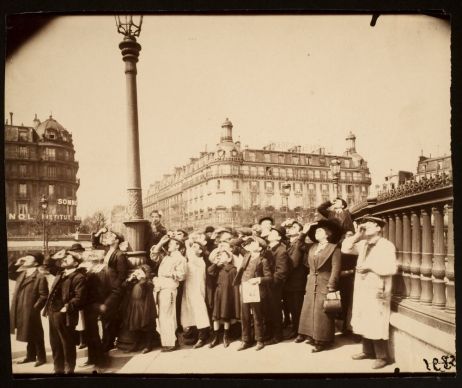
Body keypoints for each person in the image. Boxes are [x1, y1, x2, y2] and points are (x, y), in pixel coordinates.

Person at [341, 216, 397, 369]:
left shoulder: (386, 245)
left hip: (378, 287)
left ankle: (382, 356)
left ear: (379, 228)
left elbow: (391, 268)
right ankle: (367, 351)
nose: (366, 226)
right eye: (365, 224)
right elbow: (345, 248)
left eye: (371, 224)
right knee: (363, 317)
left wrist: (370, 267)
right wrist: (357, 235)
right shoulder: (363, 243)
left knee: (376, 320)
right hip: (363, 287)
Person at [296, 220, 342, 352]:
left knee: (323, 312)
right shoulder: (313, 247)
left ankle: (323, 340)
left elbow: (335, 268)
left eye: (320, 231)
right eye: (316, 231)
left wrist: (332, 285)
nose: (317, 233)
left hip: (325, 283)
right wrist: (303, 233)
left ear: (328, 234)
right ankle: (311, 335)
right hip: (311, 283)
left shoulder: (334, 248)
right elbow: (300, 245)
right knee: (310, 310)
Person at [43, 252, 87, 374]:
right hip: (53, 313)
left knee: (67, 343)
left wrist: (67, 307)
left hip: (65, 315)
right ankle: (58, 369)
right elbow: (48, 265)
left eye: (68, 258)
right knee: (55, 342)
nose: (64, 260)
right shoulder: (60, 272)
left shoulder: (79, 277)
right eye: (64, 258)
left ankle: (69, 369)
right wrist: (54, 257)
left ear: (75, 263)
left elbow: (80, 297)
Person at [91, 227, 129, 354]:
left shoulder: (119, 255)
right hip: (103, 289)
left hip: (113, 291)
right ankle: (107, 341)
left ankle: (108, 343)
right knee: (105, 317)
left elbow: (122, 275)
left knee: (108, 316)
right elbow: (95, 244)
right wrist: (99, 232)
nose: (107, 237)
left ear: (117, 240)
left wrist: (115, 291)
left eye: (111, 236)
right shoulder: (107, 250)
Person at [9, 253, 49, 367]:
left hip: (31, 310)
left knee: (36, 333)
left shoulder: (40, 277)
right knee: (28, 331)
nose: (25, 259)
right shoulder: (23, 273)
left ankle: (41, 358)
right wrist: (17, 263)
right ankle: (30, 356)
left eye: (29, 258)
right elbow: (10, 273)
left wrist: (34, 308)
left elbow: (44, 296)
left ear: (36, 263)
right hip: (20, 308)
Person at [233, 236, 272, 351]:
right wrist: (245, 237)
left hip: (256, 291)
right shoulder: (246, 255)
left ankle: (259, 340)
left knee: (257, 315)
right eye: (250, 243)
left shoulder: (263, 260)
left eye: (254, 243)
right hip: (245, 289)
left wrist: (258, 279)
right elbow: (235, 244)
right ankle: (245, 340)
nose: (251, 244)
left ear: (260, 248)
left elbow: (269, 277)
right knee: (244, 316)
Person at [151, 236, 187, 352]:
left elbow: (182, 275)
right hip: (162, 288)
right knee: (164, 315)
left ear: (178, 246)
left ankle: (170, 343)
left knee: (167, 316)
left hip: (169, 289)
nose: (169, 244)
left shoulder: (180, 258)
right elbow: (154, 256)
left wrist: (170, 273)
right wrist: (161, 242)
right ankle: (170, 341)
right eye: (169, 243)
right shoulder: (167, 256)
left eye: (172, 243)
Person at [76, 250, 106, 369]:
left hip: (93, 306)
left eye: (89, 260)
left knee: (93, 333)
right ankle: (92, 358)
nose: (86, 262)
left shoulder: (97, 273)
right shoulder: (89, 272)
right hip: (87, 305)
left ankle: (100, 360)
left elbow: (100, 291)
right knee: (89, 333)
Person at [207, 245, 240, 348]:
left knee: (226, 316)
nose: (220, 257)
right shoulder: (217, 268)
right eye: (219, 255)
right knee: (216, 317)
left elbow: (235, 285)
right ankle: (216, 337)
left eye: (222, 255)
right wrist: (215, 263)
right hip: (219, 294)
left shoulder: (233, 270)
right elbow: (210, 271)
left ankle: (225, 336)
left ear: (229, 258)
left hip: (228, 295)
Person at [181, 237, 211, 349]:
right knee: (189, 310)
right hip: (188, 288)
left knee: (199, 310)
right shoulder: (191, 259)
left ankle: (203, 336)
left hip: (197, 289)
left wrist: (188, 243)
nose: (192, 248)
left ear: (200, 251)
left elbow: (190, 254)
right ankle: (193, 334)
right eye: (192, 246)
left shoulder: (200, 261)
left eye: (195, 247)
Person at [281, 220, 309, 339]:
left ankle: (300, 332)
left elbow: (295, 262)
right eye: (288, 227)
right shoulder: (288, 243)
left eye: (294, 227)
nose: (290, 228)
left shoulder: (300, 242)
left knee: (298, 308)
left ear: (300, 230)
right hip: (289, 282)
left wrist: (302, 234)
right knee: (292, 307)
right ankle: (295, 329)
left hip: (297, 281)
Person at [121, 265, 157, 353]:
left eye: (140, 271)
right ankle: (136, 345)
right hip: (134, 305)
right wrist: (130, 279)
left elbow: (148, 287)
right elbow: (124, 286)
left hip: (143, 306)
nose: (137, 273)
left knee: (146, 325)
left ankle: (148, 345)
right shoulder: (134, 281)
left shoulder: (147, 283)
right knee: (135, 325)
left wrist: (143, 278)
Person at [265, 225, 291, 345]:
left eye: (273, 232)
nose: (269, 233)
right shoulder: (269, 248)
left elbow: (281, 272)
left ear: (279, 237)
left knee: (275, 310)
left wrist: (271, 283)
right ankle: (269, 333)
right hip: (267, 284)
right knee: (268, 310)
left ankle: (277, 335)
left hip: (274, 286)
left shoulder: (281, 250)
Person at [67, 243, 87, 350]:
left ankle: (83, 340)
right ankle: (79, 340)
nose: (77, 253)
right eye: (75, 251)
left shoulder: (83, 262)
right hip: (73, 293)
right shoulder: (72, 261)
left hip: (81, 293)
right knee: (78, 319)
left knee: (81, 319)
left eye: (79, 251)